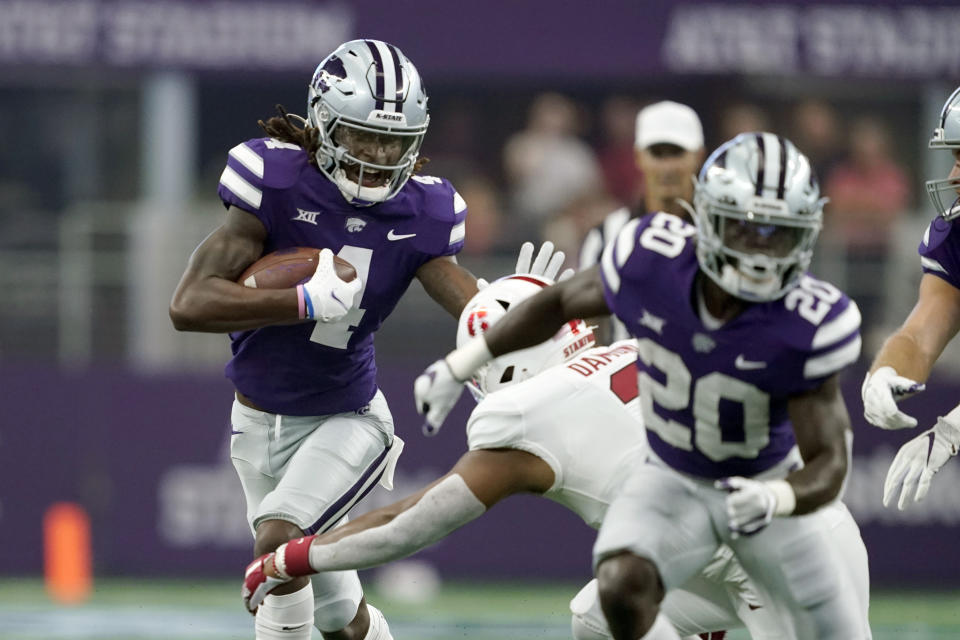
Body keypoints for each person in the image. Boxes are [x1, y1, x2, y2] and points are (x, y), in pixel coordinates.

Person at [169, 39, 563, 640]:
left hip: (348, 421)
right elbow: (188, 304)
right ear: (324, 123)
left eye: (393, 140)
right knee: (339, 620)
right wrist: (298, 301)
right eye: (363, 136)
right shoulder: (275, 181)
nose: (379, 155)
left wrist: (523, 320)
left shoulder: (423, 211)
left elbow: (467, 301)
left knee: (277, 556)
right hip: (254, 426)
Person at [414, 133, 870, 639]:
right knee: (604, 606)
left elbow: (828, 460)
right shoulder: (655, 272)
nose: (760, 256)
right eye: (746, 231)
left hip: (791, 536)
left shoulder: (808, 318)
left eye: (776, 235)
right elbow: (572, 310)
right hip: (706, 524)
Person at [240, 274, 849, 640]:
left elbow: (412, 523)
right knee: (597, 613)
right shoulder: (636, 347)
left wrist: (298, 555)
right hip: (820, 529)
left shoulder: (533, 405)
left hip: (771, 560)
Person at [861, 86, 960, 510]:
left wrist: (954, 428)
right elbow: (921, 333)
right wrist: (883, 373)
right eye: (956, 158)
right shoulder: (956, 238)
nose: (954, 176)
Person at [579, 100, 705, 343]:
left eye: (677, 153)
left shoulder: (720, 234)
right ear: (639, 156)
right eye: (657, 153)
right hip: (623, 375)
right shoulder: (605, 236)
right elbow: (589, 324)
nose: (667, 167)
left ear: (698, 156)